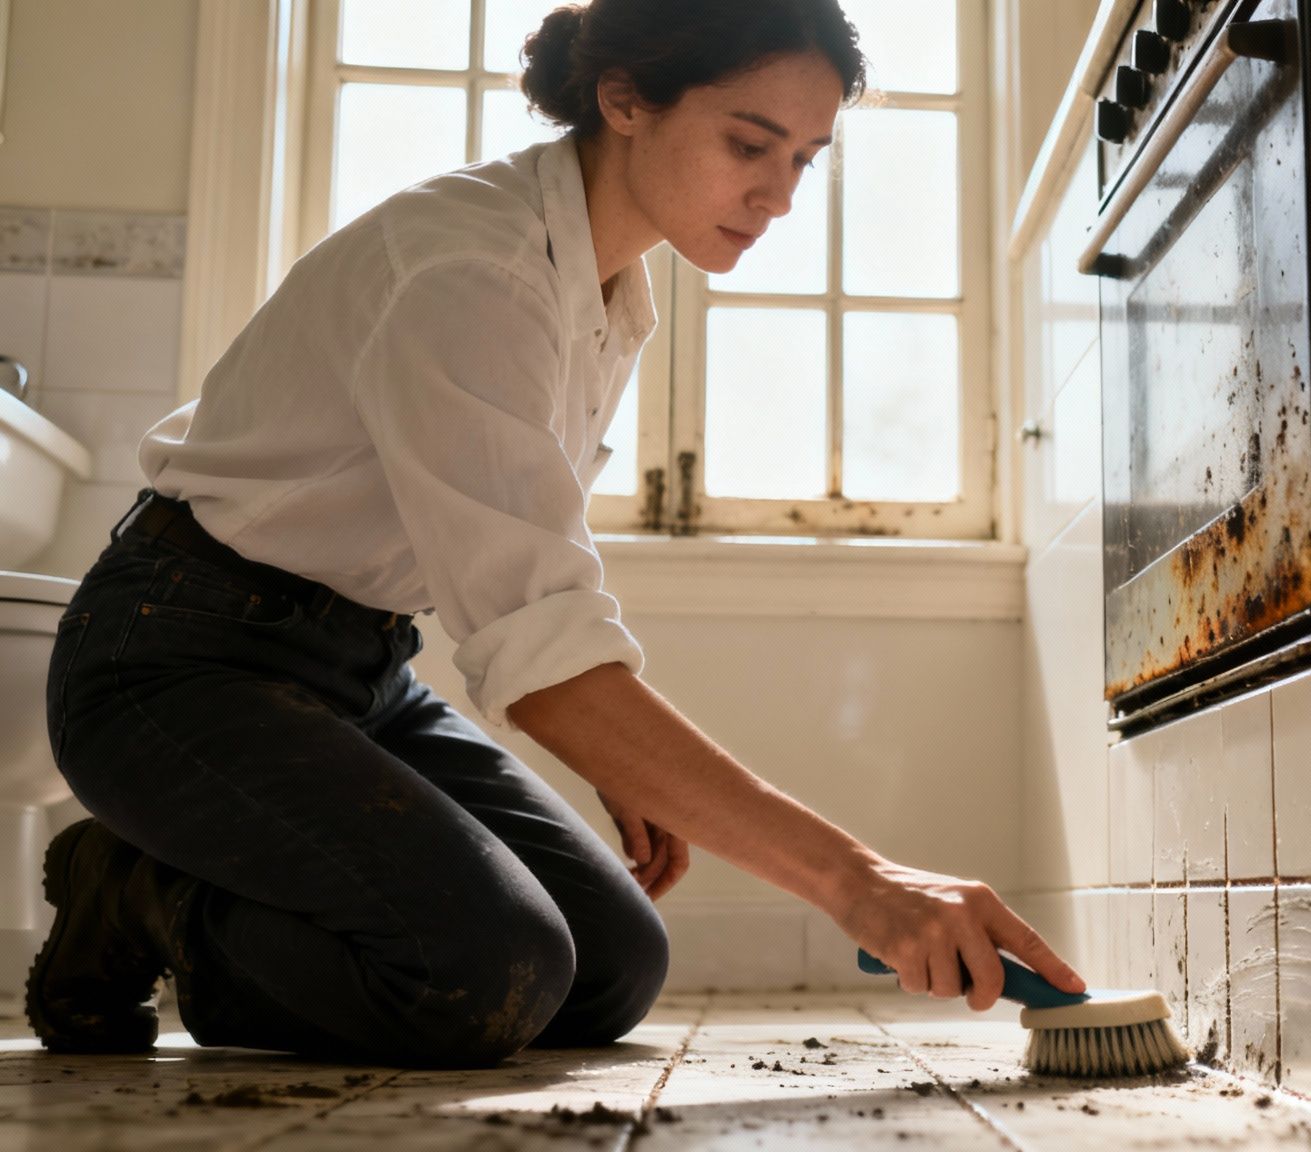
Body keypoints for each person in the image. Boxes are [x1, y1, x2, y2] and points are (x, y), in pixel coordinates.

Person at [33, 0, 1083, 1068]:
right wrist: (862, 884)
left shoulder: (600, 284)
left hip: (360, 669)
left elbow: (530, 570)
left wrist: (622, 755)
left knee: (610, 968)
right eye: (748, 144)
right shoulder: (473, 271)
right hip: (176, 661)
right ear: (624, 100)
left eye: (805, 159)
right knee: (480, 973)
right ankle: (135, 892)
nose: (779, 196)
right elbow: (536, 642)